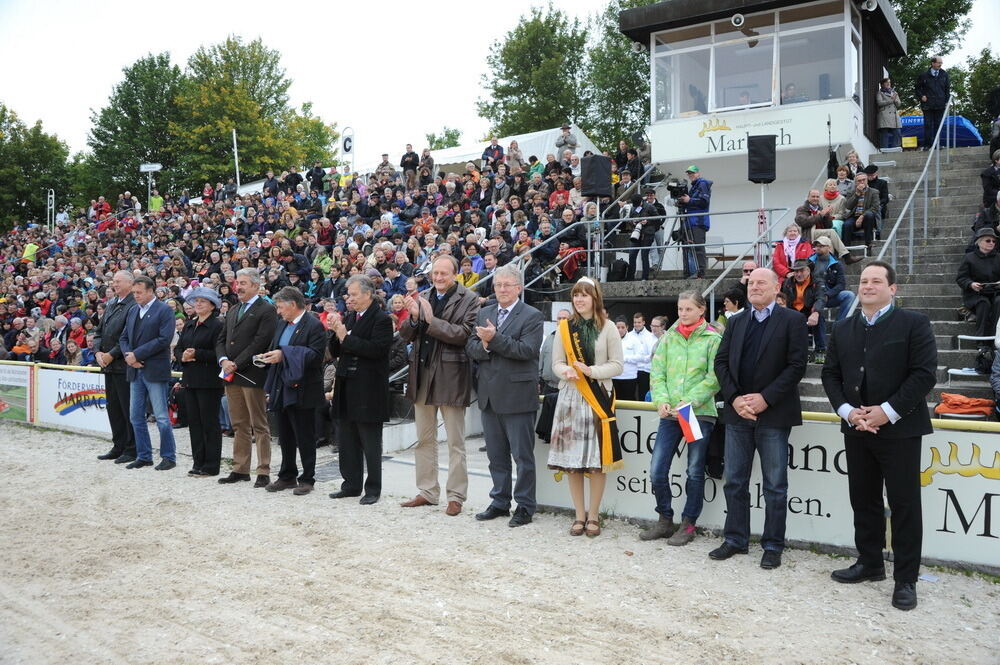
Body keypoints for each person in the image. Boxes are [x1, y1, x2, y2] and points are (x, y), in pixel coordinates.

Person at [821, 261, 937, 611]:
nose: (868, 286)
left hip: (900, 429)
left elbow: (923, 375)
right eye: (864, 280)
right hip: (857, 427)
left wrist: (886, 412)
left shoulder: (914, 324)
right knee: (864, 498)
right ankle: (870, 563)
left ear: (892, 289)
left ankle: (906, 579)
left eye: (876, 281)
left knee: (904, 505)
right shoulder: (843, 328)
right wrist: (849, 411)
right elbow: (830, 375)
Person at [710, 268, 808, 569]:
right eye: (751, 283)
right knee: (735, 481)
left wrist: (765, 398)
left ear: (776, 287)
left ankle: (773, 545)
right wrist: (735, 398)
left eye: (760, 282)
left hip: (774, 415)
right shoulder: (736, 322)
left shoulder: (793, 320)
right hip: (738, 414)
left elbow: (796, 366)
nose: (754, 287)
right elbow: (721, 362)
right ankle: (736, 539)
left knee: (775, 485)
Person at [399, 255, 480, 516]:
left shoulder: (470, 299)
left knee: (455, 442)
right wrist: (413, 319)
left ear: (455, 274)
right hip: (422, 374)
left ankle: (456, 496)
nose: (439, 278)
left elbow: (463, 335)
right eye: (435, 273)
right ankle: (427, 491)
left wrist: (430, 321)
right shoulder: (424, 295)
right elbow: (406, 333)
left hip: (450, 376)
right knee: (424, 439)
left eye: (444, 273)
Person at [466, 264, 544, 527]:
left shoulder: (532, 316)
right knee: (496, 456)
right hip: (489, 395)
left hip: (518, 396)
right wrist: (487, 344)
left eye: (507, 285)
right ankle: (500, 501)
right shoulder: (484, 312)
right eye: (498, 285)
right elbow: (471, 346)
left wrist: (494, 339)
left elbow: (527, 351)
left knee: (522, 456)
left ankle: (525, 505)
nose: (501, 289)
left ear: (519, 288)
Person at [641, 291, 721, 545]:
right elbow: (658, 372)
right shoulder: (669, 339)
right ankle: (665, 518)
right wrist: (661, 400)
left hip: (699, 414)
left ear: (701, 311)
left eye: (688, 309)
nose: (683, 313)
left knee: (695, 471)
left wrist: (692, 400)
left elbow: (715, 377)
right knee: (657, 469)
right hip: (671, 414)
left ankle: (688, 523)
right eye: (680, 309)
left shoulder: (713, 339)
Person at [548, 277, 624, 537]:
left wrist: (591, 371)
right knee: (573, 463)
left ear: (595, 298)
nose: (579, 299)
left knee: (596, 462)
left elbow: (617, 364)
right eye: (576, 295)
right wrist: (565, 370)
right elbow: (556, 363)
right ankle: (578, 515)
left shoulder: (609, 327)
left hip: (598, 398)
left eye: (584, 295)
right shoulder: (564, 328)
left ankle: (594, 515)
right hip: (570, 398)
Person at [327, 275, 394, 504]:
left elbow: (376, 350)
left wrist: (345, 337)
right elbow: (337, 350)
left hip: (368, 388)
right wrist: (335, 332)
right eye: (349, 294)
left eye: (354, 294)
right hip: (346, 384)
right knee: (346, 439)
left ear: (368, 294)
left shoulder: (382, 319)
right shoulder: (351, 317)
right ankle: (351, 484)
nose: (350, 298)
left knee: (370, 442)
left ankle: (373, 489)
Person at [259, 287, 327, 495]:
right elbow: (276, 347)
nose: (278, 312)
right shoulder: (281, 324)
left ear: (293, 305)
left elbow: (316, 357)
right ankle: (287, 475)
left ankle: (307, 478)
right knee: (285, 434)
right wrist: (268, 357)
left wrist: (284, 354)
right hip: (281, 385)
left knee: (305, 435)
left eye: (280, 307)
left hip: (304, 388)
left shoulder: (314, 325)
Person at [215, 268, 278, 487]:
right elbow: (221, 339)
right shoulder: (233, 310)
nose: (238, 287)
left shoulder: (267, 309)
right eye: (237, 283)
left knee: (259, 425)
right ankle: (240, 469)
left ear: (255, 285)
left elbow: (260, 341)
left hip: (252, 375)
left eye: (243, 283)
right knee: (239, 424)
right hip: (231, 375)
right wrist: (223, 360)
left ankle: (263, 470)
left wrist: (236, 363)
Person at [119, 275, 177, 470]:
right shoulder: (133, 310)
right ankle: (144, 455)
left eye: (139, 292)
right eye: (134, 292)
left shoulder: (164, 310)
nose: (135, 296)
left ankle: (168, 456)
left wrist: (136, 354)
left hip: (154, 369)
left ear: (151, 291)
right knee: (136, 416)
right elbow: (124, 337)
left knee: (161, 416)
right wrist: (129, 356)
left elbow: (164, 339)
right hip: (135, 370)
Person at [175, 287, 225, 477]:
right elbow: (178, 349)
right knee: (194, 423)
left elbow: (219, 353)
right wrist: (183, 357)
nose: (198, 304)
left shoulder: (217, 326)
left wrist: (197, 354)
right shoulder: (189, 324)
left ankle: (211, 465)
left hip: (209, 380)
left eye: (203, 301)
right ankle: (198, 462)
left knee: (209, 423)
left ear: (212, 306)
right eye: (196, 301)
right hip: (190, 379)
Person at [93, 270, 137, 464]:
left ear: (130, 283)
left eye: (118, 281)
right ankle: (118, 445)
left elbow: (129, 336)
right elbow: (98, 332)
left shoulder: (133, 305)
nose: (114, 284)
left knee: (127, 409)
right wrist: (97, 352)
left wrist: (111, 354)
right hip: (108, 366)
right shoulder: (111, 304)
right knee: (114, 409)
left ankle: (131, 448)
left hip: (122, 366)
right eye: (114, 281)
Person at [956, 227, 1000, 351]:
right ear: (979, 242)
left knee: (999, 302)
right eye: (988, 240)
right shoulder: (969, 257)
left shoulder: (998, 258)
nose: (991, 243)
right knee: (983, 303)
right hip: (975, 294)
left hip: (995, 293)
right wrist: (971, 284)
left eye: (993, 241)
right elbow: (961, 278)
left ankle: (995, 339)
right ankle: (980, 341)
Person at [781, 259, 827, 363]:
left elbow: (820, 298)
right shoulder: (788, 282)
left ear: (808, 271)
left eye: (801, 271)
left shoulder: (817, 282)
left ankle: (820, 350)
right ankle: (797, 353)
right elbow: (783, 299)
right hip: (793, 313)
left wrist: (815, 312)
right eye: (796, 271)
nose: (798, 274)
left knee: (819, 317)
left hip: (808, 311)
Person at [677, 165, 711, 279]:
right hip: (690, 222)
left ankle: (701, 274)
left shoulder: (702, 183)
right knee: (687, 247)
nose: (690, 175)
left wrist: (689, 200)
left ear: (698, 173)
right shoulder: (692, 187)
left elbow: (704, 202)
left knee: (698, 248)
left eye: (692, 173)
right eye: (689, 173)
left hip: (698, 221)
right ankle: (689, 273)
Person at [809, 236, 855, 322]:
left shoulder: (837, 264)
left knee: (849, 295)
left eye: (821, 246)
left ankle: (839, 324)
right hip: (812, 296)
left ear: (829, 247)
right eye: (817, 246)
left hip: (828, 296)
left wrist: (828, 294)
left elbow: (841, 285)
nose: (818, 248)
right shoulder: (809, 261)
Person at [628, 188, 666, 281]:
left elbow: (658, 220)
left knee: (644, 255)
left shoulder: (650, 207)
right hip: (636, 234)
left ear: (641, 201)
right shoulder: (633, 208)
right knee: (632, 255)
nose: (636, 206)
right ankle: (630, 277)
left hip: (648, 234)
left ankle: (644, 277)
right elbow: (629, 219)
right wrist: (632, 222)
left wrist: (647, 222)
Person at [839, 173, 880, 254]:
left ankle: (869, 244)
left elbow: (875, 208)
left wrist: (862, 216)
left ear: (867, 180)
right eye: (859, 181)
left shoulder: (874, 192)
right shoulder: (852, 192)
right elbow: (848, 206)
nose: (861, 182)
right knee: (847, 225)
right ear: (856, 182)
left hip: (867, 218)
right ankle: (846, 252)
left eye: (863, 180)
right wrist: (857, 194)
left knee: (869, 215)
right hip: (854, 217)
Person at [916, 56, 950, 150]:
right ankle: (927, 145)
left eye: (941, 63)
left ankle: (937, 145)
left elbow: (947, 89)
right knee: (927, 125)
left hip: (940, 104)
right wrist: (921, 96)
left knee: (938, 125)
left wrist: (946, 102)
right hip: (927, 104)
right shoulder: (924, 75)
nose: (940, 65)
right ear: (933, 63)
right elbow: (917, 88)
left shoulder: (944, 74)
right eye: (939, 63)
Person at [626, 312, 657, 399]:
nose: (637, 324)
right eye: (635, 322)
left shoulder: (650, 336)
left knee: (643, 394)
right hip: (631, 370)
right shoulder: (628, 336)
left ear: (643, 322)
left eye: (639, 322)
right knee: (630, 394)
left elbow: (650, 355)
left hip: (644, 371)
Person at [540, 308, 571, 393]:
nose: (561, 321)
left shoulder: (574, 340)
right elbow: (542, 359)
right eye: (559, 318)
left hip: (567, 387)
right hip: (548, 387)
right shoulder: (549, 338)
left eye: (564, 318)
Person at [612, 316, 639, 400]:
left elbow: (641, 357)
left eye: (622, 327)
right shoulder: (610, 339)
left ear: (627, 327)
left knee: (629, 399)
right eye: (618, 327)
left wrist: (625, 358)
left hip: (629, 377)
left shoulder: (634, 339)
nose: (620, 330)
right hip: (614, 376)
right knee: (614, 400)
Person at [876, 77, 902, 150]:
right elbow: (879, 103)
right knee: (884, 133)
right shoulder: (880, 93)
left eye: (889, 82)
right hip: (884, 115)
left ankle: (895, 148)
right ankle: (884, 149)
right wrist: (891, 100)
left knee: (897, 132)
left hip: (894, 116)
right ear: (882, 84)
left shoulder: (894, 92)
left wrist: (895, 100)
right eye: (886, 82)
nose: (888, 84)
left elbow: (899, 104)